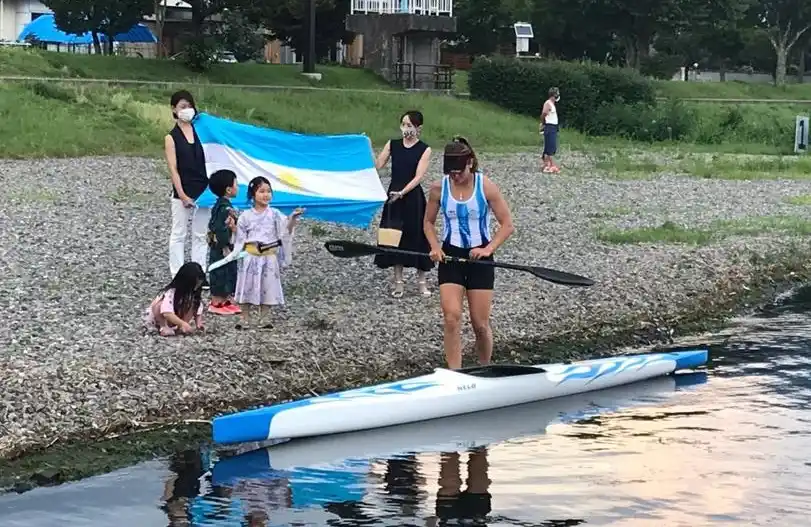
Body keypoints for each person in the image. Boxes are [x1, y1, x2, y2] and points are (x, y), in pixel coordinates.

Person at [423, 136, 515, 370]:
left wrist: (488, 249)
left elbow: (507, 225)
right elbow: (428, 223)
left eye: (459, 172)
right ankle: (455, 373)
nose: (455, 177)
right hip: (450, 256)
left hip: (480, 260)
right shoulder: (437, 188)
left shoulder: (486, 186)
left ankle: (484, 367)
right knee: (451, 317)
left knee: (480, 324)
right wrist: (435, 247)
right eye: (451, 173)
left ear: (470, 164)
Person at [372, 110, 435, 298]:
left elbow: (419, 176)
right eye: (403, 124)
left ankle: (422, 282)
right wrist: (366, 146)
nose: (405, 128)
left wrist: (403, 192)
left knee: (418, 237)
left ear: (418, 128)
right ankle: (398, 282)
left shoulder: (425, 149)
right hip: (393, 197)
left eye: (409, 125)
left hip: (412, 198)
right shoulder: (393, 144)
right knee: (394, 238)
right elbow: (378, 165)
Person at [232, 176, 305, 328]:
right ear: (253, 194)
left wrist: (292, 218)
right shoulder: (246, 216)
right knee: (247, 285)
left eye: (269, 191)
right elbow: (239, 237)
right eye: (261, 191)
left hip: (269, 255)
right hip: (251, 255)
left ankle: (264, 318)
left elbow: (285, 231)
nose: (266, 195)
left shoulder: (275, 214)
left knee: (268, 286)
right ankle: (245, 318)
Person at [164, 89, 211, 278]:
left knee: (200, 234)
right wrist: (182, 194)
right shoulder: (171, 137)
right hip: (182, 190)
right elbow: (173, 168)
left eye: (189, 106)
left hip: (204, 190)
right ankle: (177, 274)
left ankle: (199, 273)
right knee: (179, 233)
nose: (187, 110)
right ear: (174, 109)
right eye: (183, 106)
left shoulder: (202, 132)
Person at [206, 169, 242, 316]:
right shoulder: (225, 208)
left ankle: (226, 300)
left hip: (219, 246)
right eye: (236, 184)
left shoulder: (219, 206)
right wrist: (226, 244)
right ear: (228, 189)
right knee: (222, 273)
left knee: (226, 272)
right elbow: (221, 230)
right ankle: (217, 302)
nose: (238, 187)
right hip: (223, 248)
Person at [144, 261, 207, 336]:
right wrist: (182, 323)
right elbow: (167, 313)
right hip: (158, 319)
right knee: (160, 305)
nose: (197, 287)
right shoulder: (171, 293)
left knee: (192, 304)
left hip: (177, 316)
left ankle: (179, 326)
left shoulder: (193, 294)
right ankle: (163, 326)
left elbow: (197, 307)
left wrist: (198, 323)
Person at [540, 86, 561, 174]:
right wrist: (543, 124)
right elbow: (544, 114)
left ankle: (548, 164)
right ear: (553, 95)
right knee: (550, 145)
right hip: (549, 126)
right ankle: (550, 165)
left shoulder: (552, 104)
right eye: (557, 94)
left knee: (551, 145)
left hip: (553, 126)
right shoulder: (548, 103)